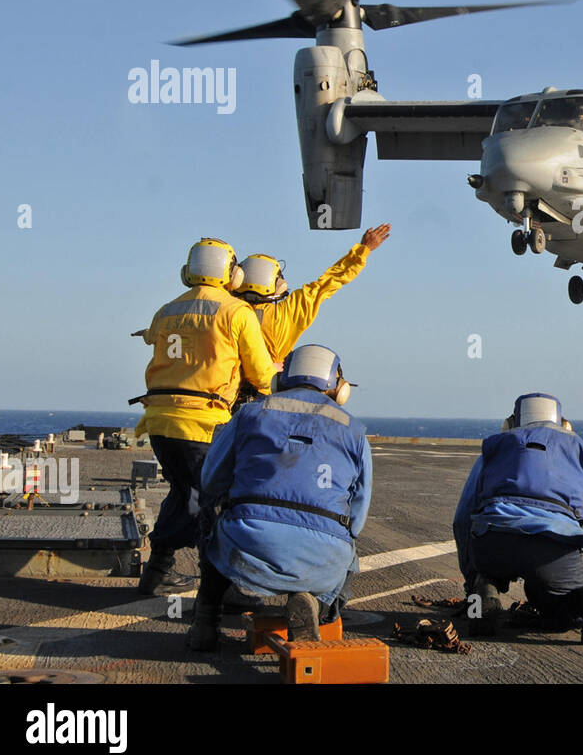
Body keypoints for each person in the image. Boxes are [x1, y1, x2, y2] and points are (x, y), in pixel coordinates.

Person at [187, 344, 372, 651]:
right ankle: (312, 600)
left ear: (279, 381)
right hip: (323, 557)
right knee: (347, 548)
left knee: (208, 516)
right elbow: (359, 516)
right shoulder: (354, 430)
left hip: (246, 544)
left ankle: (206, 621)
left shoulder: (249, 414)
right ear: (339, 390)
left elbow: (209, 480)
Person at [133, 238, 278, 595]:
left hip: (159, 424)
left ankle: (156, 573)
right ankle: (217, 592)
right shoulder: (236, 312)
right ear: (232, 273)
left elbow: (157, 339)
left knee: (184, 493)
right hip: (201, 425)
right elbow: (261, 376)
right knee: (211, 504)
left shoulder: (167, 309)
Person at [453, 393, 583, 645]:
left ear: (511, 424)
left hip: (493, 544)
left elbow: (462, 520)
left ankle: (482, 592)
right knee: (558, 607)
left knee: (484, 576)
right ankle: (582, 603)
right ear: (565, 425)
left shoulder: (494, 452)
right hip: (553, 548)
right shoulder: (582, 458)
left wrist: (470, 577)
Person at [230, 224, 391, 406]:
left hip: (228, 399)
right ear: (277, 284)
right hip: (267, 399)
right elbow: (330, 280)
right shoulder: (290, 310)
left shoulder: (226, 311)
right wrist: (364, 250)